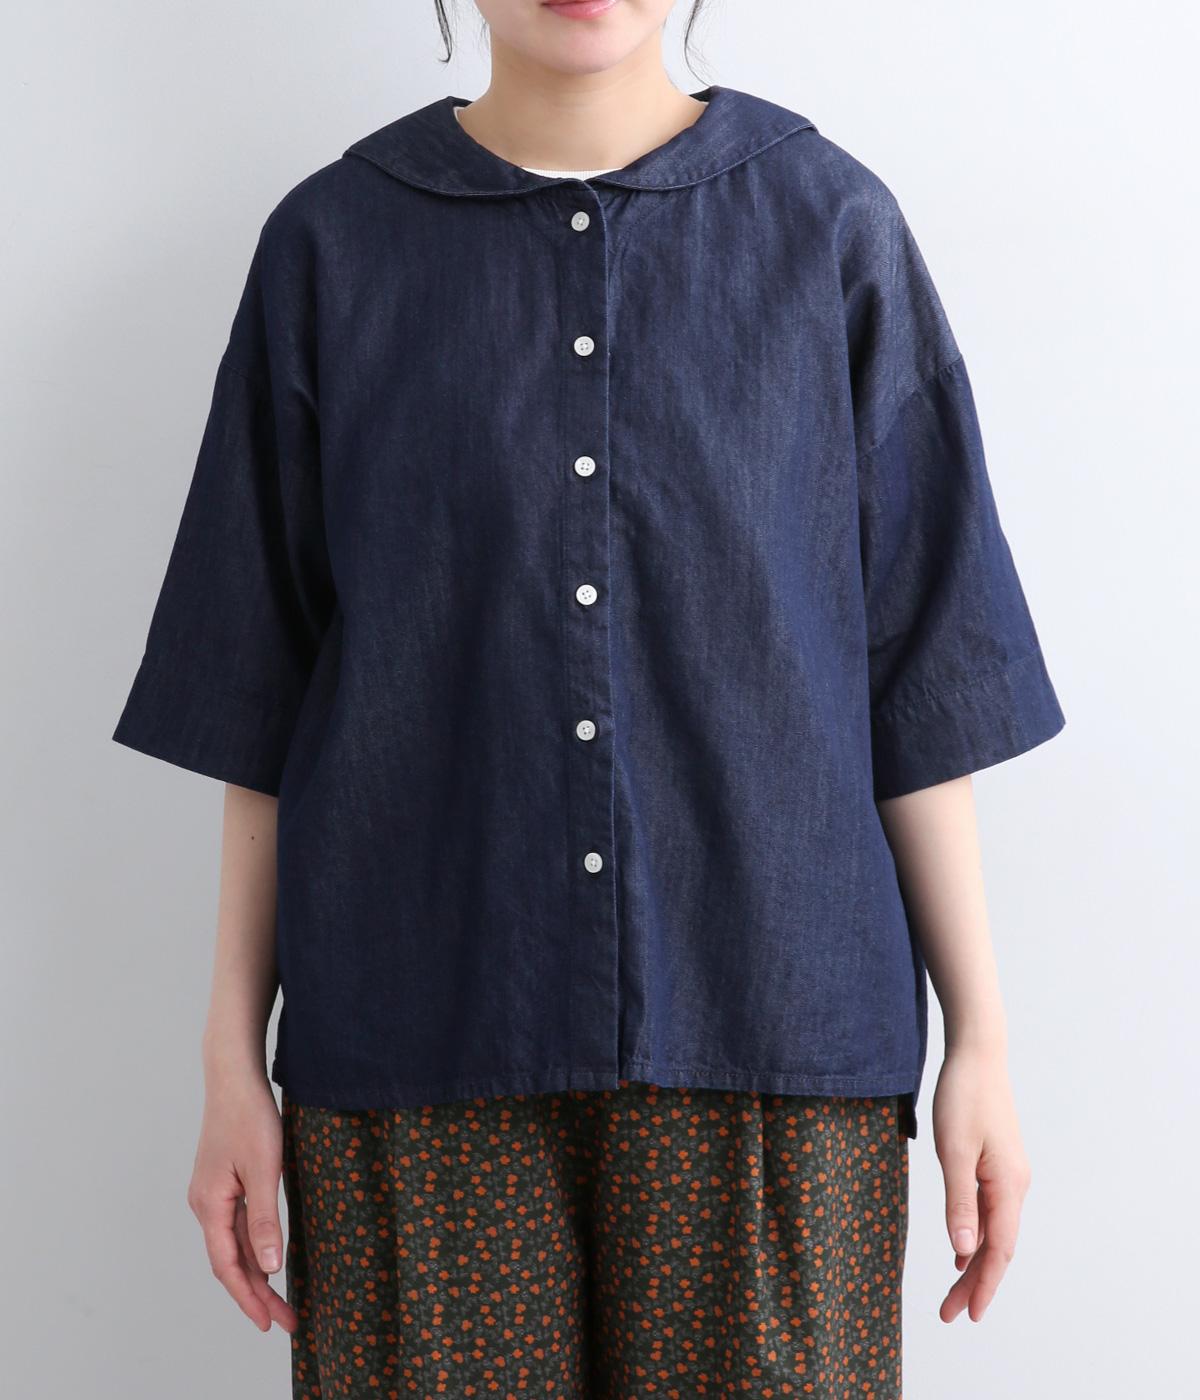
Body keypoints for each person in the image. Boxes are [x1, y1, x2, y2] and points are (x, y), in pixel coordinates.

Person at [110, 2, 1066, 1395]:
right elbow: (260, 699)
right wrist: (228, 1064)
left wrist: (980, 1038)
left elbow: (924, 679)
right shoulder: (332, 246)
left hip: (773, 1043)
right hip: (417, 1044)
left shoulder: (830, 228)